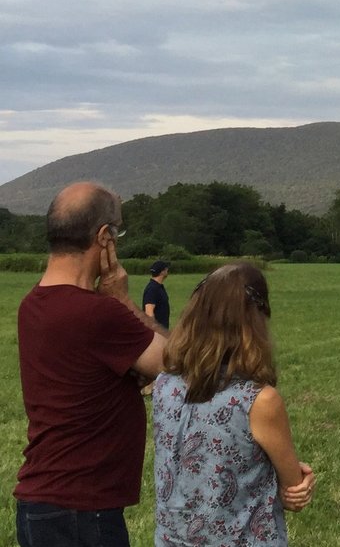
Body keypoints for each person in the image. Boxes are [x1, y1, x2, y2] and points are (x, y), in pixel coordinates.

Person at [14, 182, 167, 547]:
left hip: (44, 502)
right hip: (82, 510)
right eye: (119, 231)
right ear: (104, 237)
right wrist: (121, 299)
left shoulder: (33, 304)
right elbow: (175, 361)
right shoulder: (98, 313)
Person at [153, 262, 316, 544]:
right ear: (255, 321)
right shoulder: (259, 400)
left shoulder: (164, 385)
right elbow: (293, 493)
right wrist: (299, 483)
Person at [142, 260, 171, 330]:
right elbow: (149, 313)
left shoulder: (158, 287)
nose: (167, 270)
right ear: (162, 272)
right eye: (165, 268)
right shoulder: (152, 289)